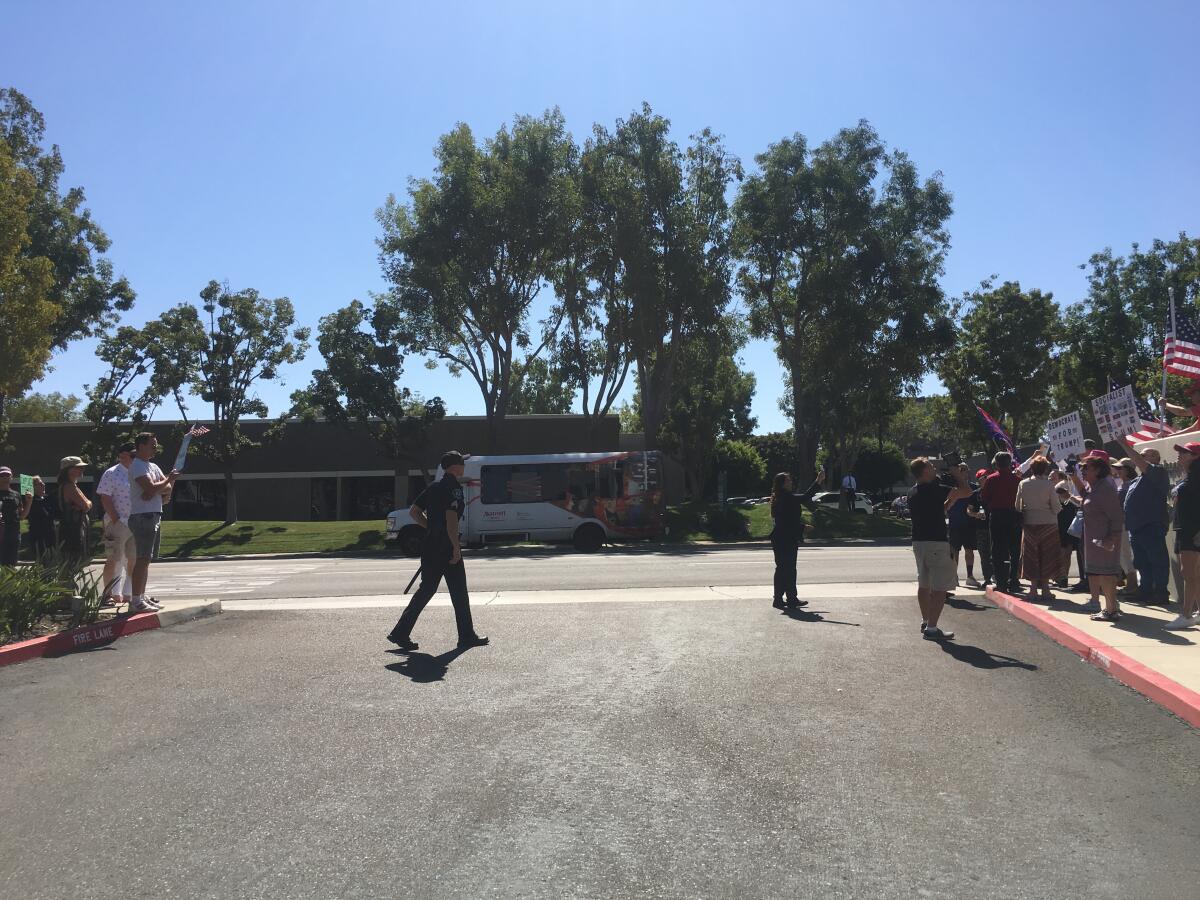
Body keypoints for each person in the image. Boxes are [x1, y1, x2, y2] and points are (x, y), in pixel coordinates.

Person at [387, 451, 488, 651]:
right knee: (459, 592)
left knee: (426, 590)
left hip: (431, 547)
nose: (464, 466)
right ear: (453, 467)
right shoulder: (454, 488)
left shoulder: (434, 487)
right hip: (447, 547)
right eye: (461, 463)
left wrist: (431, 529)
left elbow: (414, 512)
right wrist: (456, 548)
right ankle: (466, 636)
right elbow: (451, 520)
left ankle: (400, 632)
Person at [907, 457, 970, 641]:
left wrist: (947, 504)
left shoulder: (913, 492)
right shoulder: (935, 489)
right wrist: (958, 475)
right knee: (940, 587)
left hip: (919, 542)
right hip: (936, 541)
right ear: (924, 471)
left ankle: (926, 621)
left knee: (924, 583)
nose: (934, 468)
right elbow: (966, 492)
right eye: (930, 465)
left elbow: (936, 511)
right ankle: (932, 628)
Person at [1068, 451, 1125, 621]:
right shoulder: (1094, 487)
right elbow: (1084, 495)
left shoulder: (1106, 488)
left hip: (1105, 541)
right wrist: (1073, 476)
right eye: (1082, 468)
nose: (1083, 471)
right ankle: (1109, 608)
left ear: (1098, 470)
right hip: (1095, 541)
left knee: (1107, 576)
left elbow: (1116, 516)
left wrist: (1111, 539)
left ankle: (1111, 610)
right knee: (1101, 575)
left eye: (1087, 468)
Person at [127, 433, 178, 614]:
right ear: (141, 446)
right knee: (142, 558)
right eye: (152, 445)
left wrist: (159, 487)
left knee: (146, 559)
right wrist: (167, 480)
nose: (155, 448)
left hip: (154, 514)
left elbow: (165, 489)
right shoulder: (137, 466)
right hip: (142, 516)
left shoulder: (153, 466)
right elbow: (152, 488)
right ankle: (135, 600)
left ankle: (141, 596)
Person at [1118, 439, 1171, 605]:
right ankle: (1146, 591)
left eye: (1143, 455)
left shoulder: (1158, 472)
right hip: (1136, 528)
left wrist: (1123, 443)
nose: (1139, 457)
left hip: (1151, 526)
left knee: (1157, 561)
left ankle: (1161, 593)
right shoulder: (1136, 481)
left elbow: (1138, 461)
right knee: (1141, 562)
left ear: (1155, 457)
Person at [768, 467, 822, 610]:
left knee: (782, 569)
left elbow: (786, 520)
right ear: (783, 484)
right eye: (788, 480)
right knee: (789, 570)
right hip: (786, 539)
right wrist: (818, 481)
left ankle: (779, 599)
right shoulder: (786, 497)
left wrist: (801, 527)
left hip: (780, 538)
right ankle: (791, 599)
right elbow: (805, 497)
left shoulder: (780, 497)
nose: (791, 482)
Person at [1015, 456, 1061, 601]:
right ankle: (1046, 589)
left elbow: (1017, 506)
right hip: (1049, 523)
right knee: (1047, 555)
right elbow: (1056, 507)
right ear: (1045, 469)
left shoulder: (1023, 483)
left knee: (1031, 556)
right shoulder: (1049, 485)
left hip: (1030, 523)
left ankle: (1033, 589)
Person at [97, 442, 137, 608]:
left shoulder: (139, 471)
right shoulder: (111, 473)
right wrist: (115, 519)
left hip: (136, 522)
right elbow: (105, 498)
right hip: (117, 522)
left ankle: (129, 593)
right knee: (113, 559)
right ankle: (108, 595)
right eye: (130, 455)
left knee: (133, 559)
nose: (133, 458)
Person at [1165, 441, 1200, 630]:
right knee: (1194, 573)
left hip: (1192, 531)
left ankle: (1186, 615)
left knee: (1188, 574)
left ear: (1196, 456)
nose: (1180, 455)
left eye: (1185, 452)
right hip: (1185, 529)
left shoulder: (1197, 478)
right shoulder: (1189, 477)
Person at [981, 452, 1023, 594]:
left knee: (998, 550)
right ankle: (1014, 580)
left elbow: (985, 498)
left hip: (998, 515)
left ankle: (1001, 581)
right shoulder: (1017, 480)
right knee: (1014, 549)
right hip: (1014, 515)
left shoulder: (991, 479)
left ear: (997, 464)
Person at [946, 464, 981, 587]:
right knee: (954, 551)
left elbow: (977, 505)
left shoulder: (974, 488)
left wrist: (977, 514)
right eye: (962, 471)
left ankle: (970, 576)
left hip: (969, 524)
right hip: (955, 523)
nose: (965, 473)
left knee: (969, 551)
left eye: (966, 470)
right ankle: (953, 576)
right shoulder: (951, 488)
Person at [56, 456, 92, 567]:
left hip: (71, 528)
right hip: (72, 529)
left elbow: (85, 504)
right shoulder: (69, 486)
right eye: (79, 467)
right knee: (72, 563)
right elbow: (86, 505)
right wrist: (88, 503)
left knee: (72, 564)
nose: (82, 470)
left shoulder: (70, 485)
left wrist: (86, 503)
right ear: (69, 470)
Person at [1114, 458, 1140, 597]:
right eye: (1117, 468)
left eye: (1120, 468)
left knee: (1125, 554)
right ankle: (1132, 583)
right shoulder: (1123, 484)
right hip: (1121, 523)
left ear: (1128, 469)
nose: (1118, 471)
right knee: (1123, 554)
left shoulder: (1132, 484)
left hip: (1126, 524)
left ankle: (1132, 585)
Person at [0, 467, 30, 566]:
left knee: (11, 562)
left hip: (14, 532)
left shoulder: (16, 494)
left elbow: (22, 516)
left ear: (11, 477)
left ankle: (10, 581)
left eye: (7, 475)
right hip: (1, 531)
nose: (5, 477)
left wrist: (29, 501)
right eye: (2, 475)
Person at [970, 467, 994, 586]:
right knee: (984, 554)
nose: (988, 479)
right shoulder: (975, 494)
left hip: (995, 526)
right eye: (985, 477)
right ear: (979, 480)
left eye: (989, 476)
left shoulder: (996, 491)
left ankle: (998, 576)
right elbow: (968, 510)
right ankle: (987, 578)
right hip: (981, 528)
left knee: (997, 552)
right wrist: (976, 514)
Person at [25, 476, 56, 560]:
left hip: (50, 536)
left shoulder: (46, 499)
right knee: (43, 562)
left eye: (42, 482)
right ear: (33, 487)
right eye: (39, 484)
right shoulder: (32, 502)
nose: (43, 484)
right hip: (39, 538)